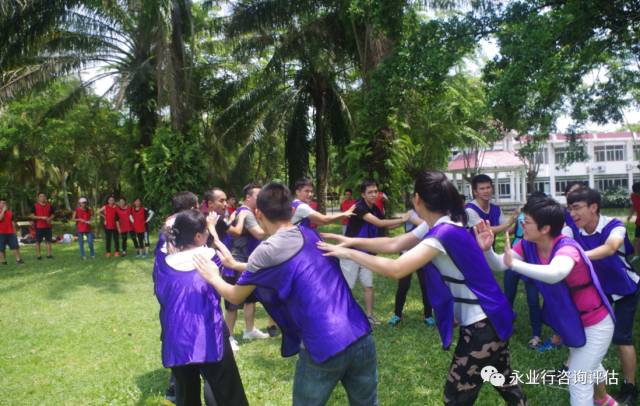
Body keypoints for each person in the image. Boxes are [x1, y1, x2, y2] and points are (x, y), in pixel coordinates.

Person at [319, 171, 526, 405]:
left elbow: (397, 268)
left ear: (417, 199)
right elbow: (395, 243)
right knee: (506, 384)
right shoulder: (443, 224)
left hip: (483, 325)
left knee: (455, 398)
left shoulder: (441, 234)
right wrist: (351, 241)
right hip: (493, 317)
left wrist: (348, 254)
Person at [194, 182, 377, 406]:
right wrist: (236, 264)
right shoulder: (310, 234)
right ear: (291, 210)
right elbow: (286, 265)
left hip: (324, 343)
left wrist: (213, 276)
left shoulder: (265, 251)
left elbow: (235, 296)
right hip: (360, 334)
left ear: (258, 214)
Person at [480, 195, 617, 406]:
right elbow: (500, 264)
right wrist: (487, 250)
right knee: (589, 363)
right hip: (571, 322)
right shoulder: (528, 245)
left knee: (578, 379)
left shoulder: (567, 248)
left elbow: (555, 273)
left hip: (596, 322)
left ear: (545, 228)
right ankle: (606, 401)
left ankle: (602, 400)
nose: (522, 225)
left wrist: (515, 265)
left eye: (527, 222)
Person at [153, 210, 248, 406]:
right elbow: (226, 259)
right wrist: (214, 231)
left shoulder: (163, 264)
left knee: (186, 395)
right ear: (198, 236)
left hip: (177, 337)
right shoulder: (209, 256)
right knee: (228, 392)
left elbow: (162, 292)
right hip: (209, 333)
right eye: (205, 230)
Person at [565, 187, 639, 405]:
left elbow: (610, 248)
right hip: (598, 291)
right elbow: (560, 245)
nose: (572, 213)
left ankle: (630, 387)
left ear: (593, 207)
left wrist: (576, 256)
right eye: (569, 209)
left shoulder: (614, 225)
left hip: (625, 288)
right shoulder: (572, 229)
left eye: (577, 208)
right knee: (588, 339)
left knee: (622, 338)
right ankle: (600, 396)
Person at [341, 179, 408, 325]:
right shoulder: (359, 207)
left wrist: (404, 221)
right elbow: (379, 223)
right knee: (347, 287)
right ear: (363, 194)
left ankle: (369, 316)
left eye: (375, 192)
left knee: (368, 286)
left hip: (367, 254)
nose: (373, 194)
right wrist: (403, 219)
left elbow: (386, 226)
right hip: (351, 253)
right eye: (370, 192)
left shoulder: (375, 209)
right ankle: (343, 318)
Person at [229, 183, 271, 341]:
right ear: (248, 197)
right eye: (258, 196)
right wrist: (272, 224)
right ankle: (229, 337)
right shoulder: (246, 213)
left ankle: (249, 330)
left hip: (249, 258)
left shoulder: (246, 211)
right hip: (240, 259)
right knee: (234, 301)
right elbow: (259, 234)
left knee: (251, 298)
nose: (262, 199)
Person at [504, 193, 545, 350]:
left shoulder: (542, 220)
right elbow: (511, 231)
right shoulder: (522, 217)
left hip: (531, 259)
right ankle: (507, 328)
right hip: (516, 254)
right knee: (510, 295)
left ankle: (536, 334)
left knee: (531, 299)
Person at [388, 209, 434, 327]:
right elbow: (390, 226)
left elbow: (430, 226)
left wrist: (415, 219)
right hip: (407, 253)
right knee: (403, 285)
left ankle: (428, 316)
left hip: (423, 253)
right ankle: (397, 315)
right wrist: (403, 219)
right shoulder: (411, 213)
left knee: (425, 286)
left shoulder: (430, 212)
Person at [291, 178, 355, 232]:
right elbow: (324, 219)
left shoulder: (294, 203)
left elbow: (319, 222)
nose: (310, 194)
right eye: (306, 191)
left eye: (311, 191)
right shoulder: (302, 206)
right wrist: (344, 214)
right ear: (297, 192)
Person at [0, 198, 24, 265]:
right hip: (1, 233)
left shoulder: (9, 212)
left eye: (5, 203)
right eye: (2, 203)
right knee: (1, 248)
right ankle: (3, 261)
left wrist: (15, 231)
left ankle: (18, 260)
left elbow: (12, 222)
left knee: (15, 247)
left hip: (11, 232)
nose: (4, 204)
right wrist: (3, 211)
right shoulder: (2, 212)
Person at [32, 192, 54, 260]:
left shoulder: (49, 206)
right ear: (38, 198)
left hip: (48, 226)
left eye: (44, 196)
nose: (42, 197)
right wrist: (41, 217)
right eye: (41, 196)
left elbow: (53, 214)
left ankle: (49, 255)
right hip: (39, 226)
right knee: (38, 241)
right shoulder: (35, 206)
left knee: (48, 241)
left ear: (45, 197)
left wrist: (50, 218)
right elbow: (31, 216)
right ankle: (38, 256)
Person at [627, 181, 640, 263]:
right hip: (639, 222)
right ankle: (636, 255)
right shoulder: (633, 196)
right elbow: (633, 206)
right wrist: (630, 215)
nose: (638, 194)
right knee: (637, 239)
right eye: (636, 193)